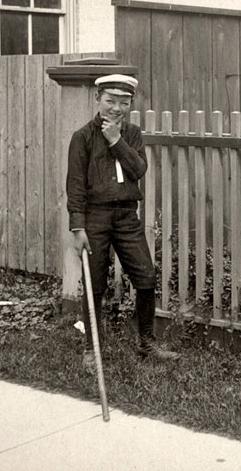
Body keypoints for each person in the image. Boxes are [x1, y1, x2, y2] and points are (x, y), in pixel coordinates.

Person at [66, 74, 179, 372]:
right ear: (97, 99)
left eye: (124, 102)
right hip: (95, 219)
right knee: (95, 284)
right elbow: (75, 186)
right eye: (110, 101)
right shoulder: (82, 137)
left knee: (145, 278)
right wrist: (78, 228)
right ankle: (92, 349)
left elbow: (138, 169)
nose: (116, 108)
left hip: (127, 216)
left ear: (131, 104)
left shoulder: (131, 134)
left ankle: (146, 342)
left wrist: (116, 141)